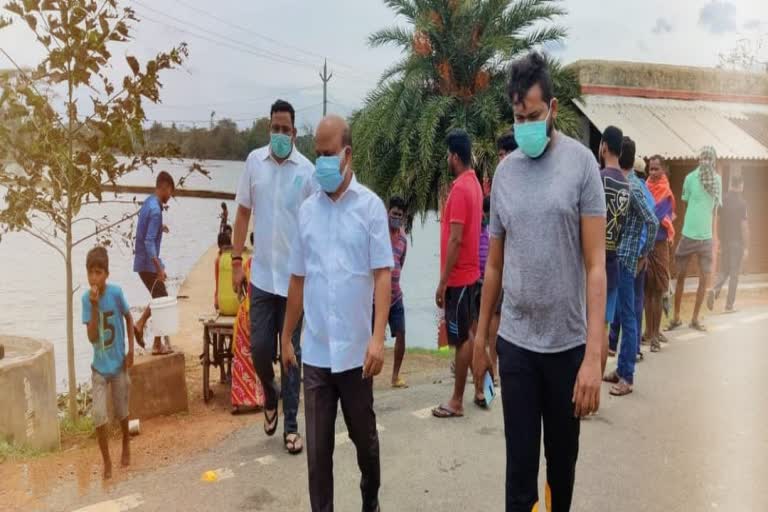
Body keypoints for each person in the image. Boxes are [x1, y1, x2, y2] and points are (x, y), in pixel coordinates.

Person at [472, 51, 607, 511]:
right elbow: (494, 265)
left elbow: (595, 265)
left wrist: (593, 356)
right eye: (517, 116)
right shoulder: (505, 175)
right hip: (517, 345)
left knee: (562, 469)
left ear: (551, 108)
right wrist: (483, 338)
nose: (525, 124)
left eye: (532, 115)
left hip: (567, 348)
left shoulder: (582, 165)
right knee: (518, 474)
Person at [281, 114, 392, 512]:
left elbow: (382, 275)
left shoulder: (370, 208)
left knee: (365, 441)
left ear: (347, 154)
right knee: (317, 455)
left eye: (328, 154)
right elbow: (297, 279)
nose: (322, 162)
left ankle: (370, 498)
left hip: (356, 355)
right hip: (317, 354)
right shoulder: (307, 211)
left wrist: (378, 339)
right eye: (317, 154)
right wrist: (286, 335)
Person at [231, 99, 318, 454]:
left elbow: (316, 224)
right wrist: (236, 261)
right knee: (260, 347)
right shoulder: (254, 162)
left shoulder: (308, 171)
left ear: (295, 132)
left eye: (286, 129)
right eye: (275, 128)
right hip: (263, 278)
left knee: (291, 353)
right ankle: (270, 395)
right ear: (269, 128)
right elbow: (241, 214)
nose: (280, 134)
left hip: (296, 279)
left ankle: (292, 427)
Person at [432, 128, 484, 418]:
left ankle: (457, 400)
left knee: (462, 339)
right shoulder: (474, 184)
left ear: (454, 155)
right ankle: (480, 386)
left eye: (448, 154)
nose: (447, 159)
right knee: (471, 334)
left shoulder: (462, 189)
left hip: (460, 278)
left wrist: (442, 282)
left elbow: (455, 238)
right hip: (469, 274)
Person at [604, 138, 658, 396]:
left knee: (628, 316)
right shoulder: (629, 183)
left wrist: (642, 254)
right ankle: (621, 368)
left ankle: (627, 376)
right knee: (621, 315)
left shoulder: (634, 188)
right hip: (623, 258)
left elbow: (653, 222)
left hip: (627, 259)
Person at [82, 246, 135, 480]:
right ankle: (106, 462)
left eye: (99, 272)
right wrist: (94, 306)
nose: (95, 278)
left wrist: (131, 350)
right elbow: (92, 337)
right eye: (91, 273)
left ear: (107, 274)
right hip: (99, 368)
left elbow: (129, 317)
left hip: (118, 365)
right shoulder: (86, 299)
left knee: (122, 411)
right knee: (99, 416)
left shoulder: (116, 293)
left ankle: (125, 441)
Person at [668, 146, 722, 332]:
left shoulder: (717, 181)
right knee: (681, 275)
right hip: (688, 235)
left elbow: (715, 212)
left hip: (706, 238)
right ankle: (675, 317)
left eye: (709, 158)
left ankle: (695, 318)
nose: (706, 161)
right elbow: (685, 203)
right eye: (703, 158)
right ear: (700, 159)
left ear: (713, 160)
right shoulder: (690, 178)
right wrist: (686, 228)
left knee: (703, 278)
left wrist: (715, 237)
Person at [133, 171, 174, 355]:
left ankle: (141, 324)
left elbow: (146, 226)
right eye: (170, 192)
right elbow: (149, 242)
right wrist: (159, 269)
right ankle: (156, 344)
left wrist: (160, 227)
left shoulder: (149, 202)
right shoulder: (157, 210)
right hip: (148, 263)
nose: (170, 197)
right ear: (164, 187)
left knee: (160, 298)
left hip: (142, 261)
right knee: (162, 300)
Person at [599, 126, 630, 369]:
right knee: (603, 327)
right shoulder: (627, 185)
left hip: (593, 264)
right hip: (613, 264)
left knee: (589, 328)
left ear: (604, 146)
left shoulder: (599, 179)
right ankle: (594, 393)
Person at [644, 155, 676, 351]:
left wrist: (647, 213)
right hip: (646, 244)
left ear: (663, 169)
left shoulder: (666, 192)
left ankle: (655, 335)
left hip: (660, 244)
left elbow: (653, 216)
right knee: (648, 290)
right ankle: (649, 332)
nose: (653, 173)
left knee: (657, 290)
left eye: (656, 169)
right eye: (650, 169)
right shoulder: (645, 186)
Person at [231, 236, 265, 411]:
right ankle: (256, 399)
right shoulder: (263, 267)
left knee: (241, 358)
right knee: (256, 357)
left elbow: (237, 290)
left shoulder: (246, 265)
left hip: (244, 314)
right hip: (257, 315)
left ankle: (238, 401)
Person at [708, 174, 749, 313]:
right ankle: (729, 306)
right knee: (734, 274)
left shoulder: (723, 200)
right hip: (737, 242)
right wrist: (747, 246)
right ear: (741, 185)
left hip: (725, 241)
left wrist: (719, 238)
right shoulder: (742, 203)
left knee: (724, 270)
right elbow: (744, 226)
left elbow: (717, 221)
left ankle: (715, 289)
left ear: (731, 184)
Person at [385, 195, 409, 388]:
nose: (396, 217)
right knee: (368, 337)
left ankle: (395, 376)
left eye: (400, 215)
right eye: (394, 213)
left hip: (396, 297)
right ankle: (364, 376)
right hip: (376, 298)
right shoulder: (378, 232)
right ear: (387, 211)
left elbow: (400, 263)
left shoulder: (403, 238)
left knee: (401, 334)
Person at [479, 195, 498, 381]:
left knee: (493, 325)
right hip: (481, 281)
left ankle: (493, 365)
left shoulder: (492, 229)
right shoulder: (481, 230)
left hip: (492, 281)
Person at [214, 231, 239, 315]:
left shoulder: (219, 260)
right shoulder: (236, 258)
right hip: (236, 301)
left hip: (227, 302)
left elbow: (218, 282)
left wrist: (216, 299)